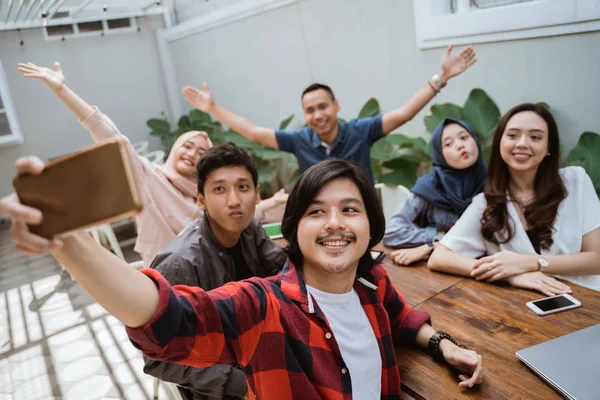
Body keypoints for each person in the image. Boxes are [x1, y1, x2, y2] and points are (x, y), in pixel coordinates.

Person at [8, 158, 483, 399]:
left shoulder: (371, 283)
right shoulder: (262, 308)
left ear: (370, 228)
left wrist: (443, 344)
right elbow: (164, 316)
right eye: (317, 212)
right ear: (294, 230)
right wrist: (71, 245)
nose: (336, 223)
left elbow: (401, 317)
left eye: (350, 210)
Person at [17, 61, 288, 265]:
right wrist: (62, 90)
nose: (192, 154)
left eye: (201, 152)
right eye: (187, 146)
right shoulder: (148, 175)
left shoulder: (207, 191)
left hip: (208, 267)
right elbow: (109, 135)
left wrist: (272, 202)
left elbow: (235, 214)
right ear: (174, 150)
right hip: (163, 271)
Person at [182, 45, 477, 182]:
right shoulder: (299, 140)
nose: (317, 114)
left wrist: (440, 78)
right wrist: (213, 108)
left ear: (336, 106)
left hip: (359, 210)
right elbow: (255, 132)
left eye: (323, 106)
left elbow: (403, 114)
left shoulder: (360, 131)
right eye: (309, 110)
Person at [144, 142, 286, 400]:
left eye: (242, 188)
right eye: (219, 189)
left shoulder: (249, 229)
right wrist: (241, 385)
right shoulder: (181, 263)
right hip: (223, 387)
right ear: (201, 200)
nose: (234, 201)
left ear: (256, 193)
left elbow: (280, 274)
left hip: (258, 351)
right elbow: (159, 358)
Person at [428, 103, 600, 294]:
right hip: (529, 310)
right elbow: (439, 257)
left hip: (590, 300)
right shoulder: (486, 203)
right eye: (512, 135)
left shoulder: (576, 181)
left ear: (549, 146)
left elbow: (597, 260)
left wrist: (531, 263)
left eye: (535, 137)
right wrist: (509, 274)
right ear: (500, 142)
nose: (522, 144)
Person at [383, 119, 486, 265]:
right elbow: (392, 233)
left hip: (483, 266)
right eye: (448, 144)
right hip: (435, 270)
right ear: (440, 154)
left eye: (464, 137)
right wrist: (435, 236)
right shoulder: (430, 186)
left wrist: (431, 245)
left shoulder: (494, 184)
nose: (460, 145)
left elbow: (486, 238)